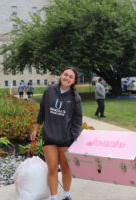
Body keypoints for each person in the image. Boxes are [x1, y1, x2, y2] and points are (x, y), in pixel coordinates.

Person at [30, 67, 83, 200]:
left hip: (65, 139)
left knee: (66, 169)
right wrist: (36, 128)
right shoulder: (49, 91)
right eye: (65, 74)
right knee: (52, 168)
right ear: (61, 75)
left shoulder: (75, 98)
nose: (67, 78)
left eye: (71, 77)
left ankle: (66, 195)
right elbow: (42, 111)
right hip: (49, 137)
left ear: (74, 81)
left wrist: (73, 137)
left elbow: (77, 121)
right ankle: (54, 197)